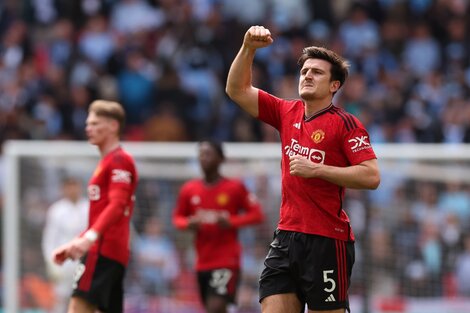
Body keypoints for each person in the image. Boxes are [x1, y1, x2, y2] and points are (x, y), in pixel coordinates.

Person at [225, 25, 381, 313]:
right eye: (304, 71)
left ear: (335, 85)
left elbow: (371, 175)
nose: (307, 75)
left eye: (317, 72)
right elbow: (237, 90)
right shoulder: (286, 112)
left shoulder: (346, 124)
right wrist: (248, 48)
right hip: (285, 237)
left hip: (327, 240)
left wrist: (318, 169)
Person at [52, 100, 139, 313]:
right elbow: (102, 214)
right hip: (109, 250)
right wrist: (77, 241)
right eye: (87, 124)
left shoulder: (119, 160)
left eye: (94, 123)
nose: (88, 128)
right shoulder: (108, 162)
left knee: (77, 308)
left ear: (113, 126)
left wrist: (89, 240)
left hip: (103, 250)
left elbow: (117, 205)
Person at [173, 140, 264, 313]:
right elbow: (177, 219)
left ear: (221, 159)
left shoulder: (234, 187)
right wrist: (189, 224)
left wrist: (231, 221)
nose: (203, 158)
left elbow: (257, 215)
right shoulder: (189, 190)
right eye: (201, 154)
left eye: (208, 154)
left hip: (226, 260)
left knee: (215, 307)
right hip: (202, 261)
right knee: (212, 308)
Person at [42, 176, 89, 313]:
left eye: (75, 185)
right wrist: (51, 263)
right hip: (64, 261)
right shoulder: (56, 210)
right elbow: (49, 239)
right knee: (60, 298)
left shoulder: (88, 207)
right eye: (69, 186)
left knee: (84, 298)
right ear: (63, 189)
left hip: (84, 259)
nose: (72, 189)